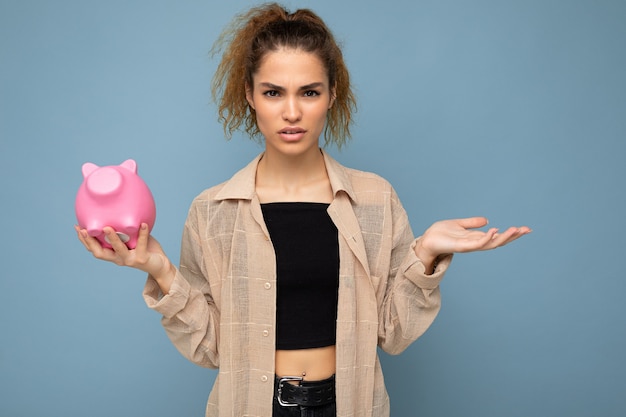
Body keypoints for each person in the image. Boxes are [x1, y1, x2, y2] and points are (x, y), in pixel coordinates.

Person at [76, 3, 531, 417]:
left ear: (332, 96)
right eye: (273, 93)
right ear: (250, 96)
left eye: (309, 92)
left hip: (349, 405)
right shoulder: (213, 211)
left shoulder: (375, 199)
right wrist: (159, 269)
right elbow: (213, 348)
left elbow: (393, 333)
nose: (291, 111)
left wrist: (427, 253)